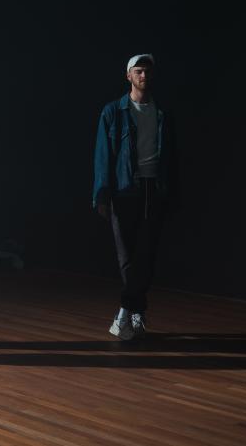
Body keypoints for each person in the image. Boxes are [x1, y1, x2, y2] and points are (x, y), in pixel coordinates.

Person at [93, 53, 177, 341]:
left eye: (148, 71)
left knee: (147, 254)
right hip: (124, 189)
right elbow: (103, 156)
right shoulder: (113, 111)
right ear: (128, 75)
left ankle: (125, 313)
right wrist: (102, 195)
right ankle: (134, 310)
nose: (144, 76)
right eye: (138, 71)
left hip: (153, 188)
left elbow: (172, 156)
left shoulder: (162, 111)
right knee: (127, 255)